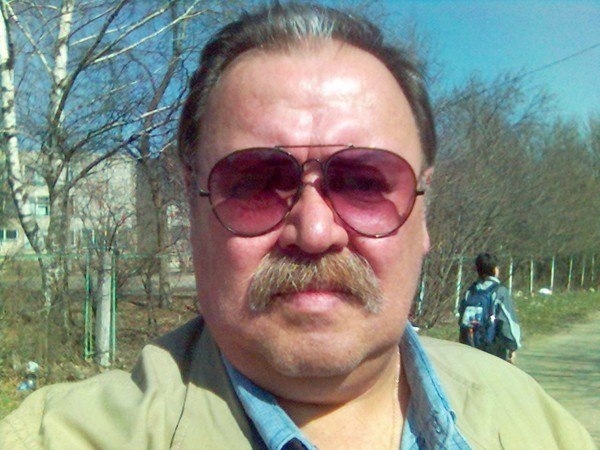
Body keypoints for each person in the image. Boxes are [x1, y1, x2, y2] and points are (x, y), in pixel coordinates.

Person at [0, 3, 594, 449]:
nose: (313, 232)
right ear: (192, 207)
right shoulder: (62, 436)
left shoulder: (535, 422)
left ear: (424, 211)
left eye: (364, 183)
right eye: (256, 182)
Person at [458, 253, 521, 363]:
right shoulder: (499, 291)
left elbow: (462, 318)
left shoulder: (471, 291)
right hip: (493, 348)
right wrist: (512, 346)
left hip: (469, 346)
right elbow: (507, 321)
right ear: (494, 269)